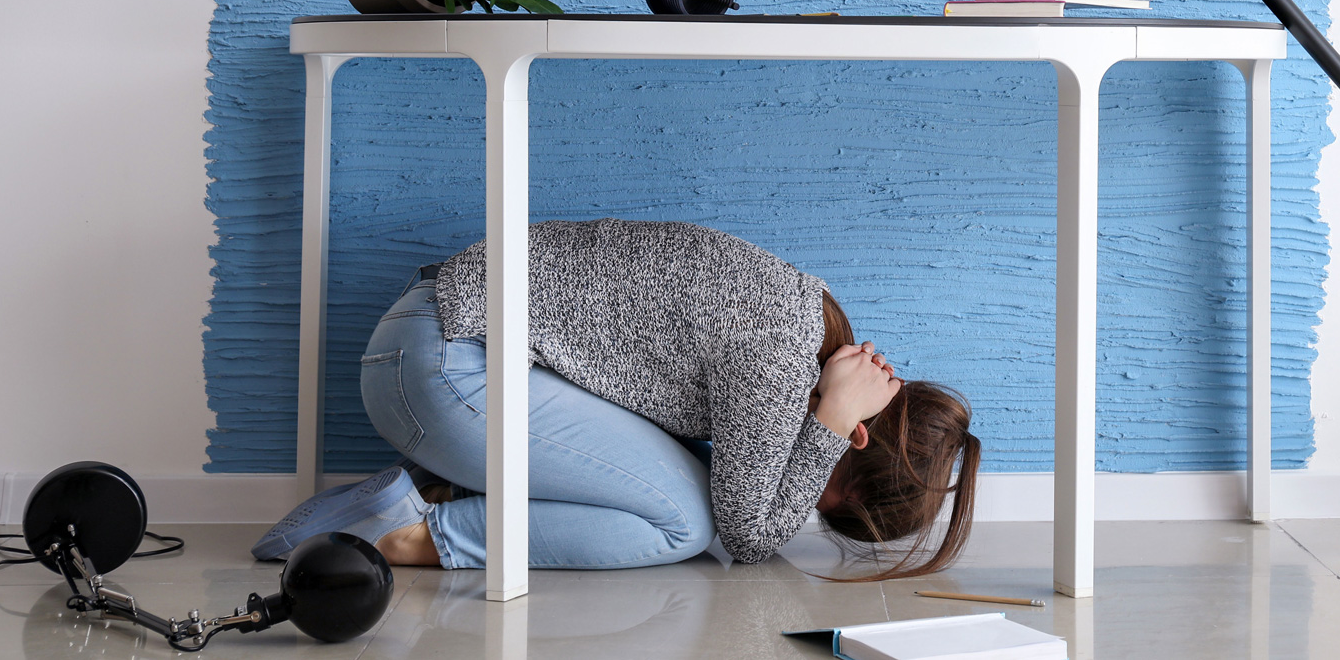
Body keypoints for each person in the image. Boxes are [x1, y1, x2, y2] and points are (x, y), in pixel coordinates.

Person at [253, 219, 980, 578]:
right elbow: (750, 534)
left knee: (694, 489)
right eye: (822, 501)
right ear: (855, 437)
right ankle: (416, 536)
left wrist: (828, 416)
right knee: (686, 523)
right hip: (443, 363)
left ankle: (423, 491)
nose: (800, 502)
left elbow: (745, 500)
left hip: (437, 351)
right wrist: (826, 418)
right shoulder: (781, 358)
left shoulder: (797, 324)